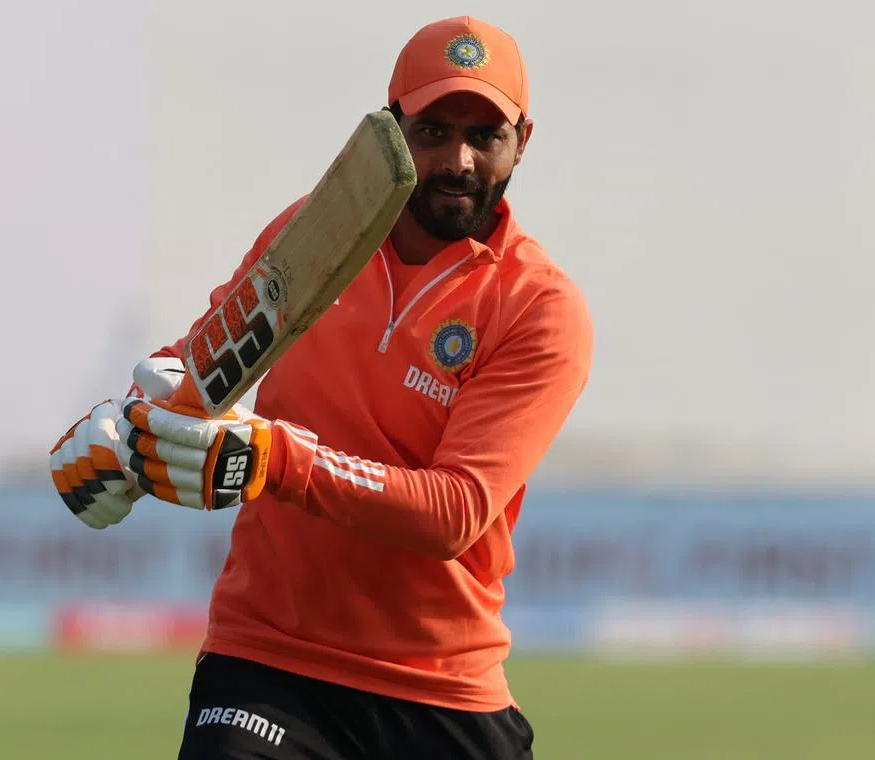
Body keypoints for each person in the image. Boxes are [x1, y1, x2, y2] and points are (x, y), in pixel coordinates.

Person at [50, 15, 593, 760]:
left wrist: (274, 458)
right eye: (433, 130)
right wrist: (127, 432)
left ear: (522, 141)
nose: (458, 159)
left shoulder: (538, 307)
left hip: (441, 691)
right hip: (269, 662)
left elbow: (455, 510)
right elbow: (205, 366)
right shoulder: (316, 231)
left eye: (484, 136)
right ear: (391, 128)